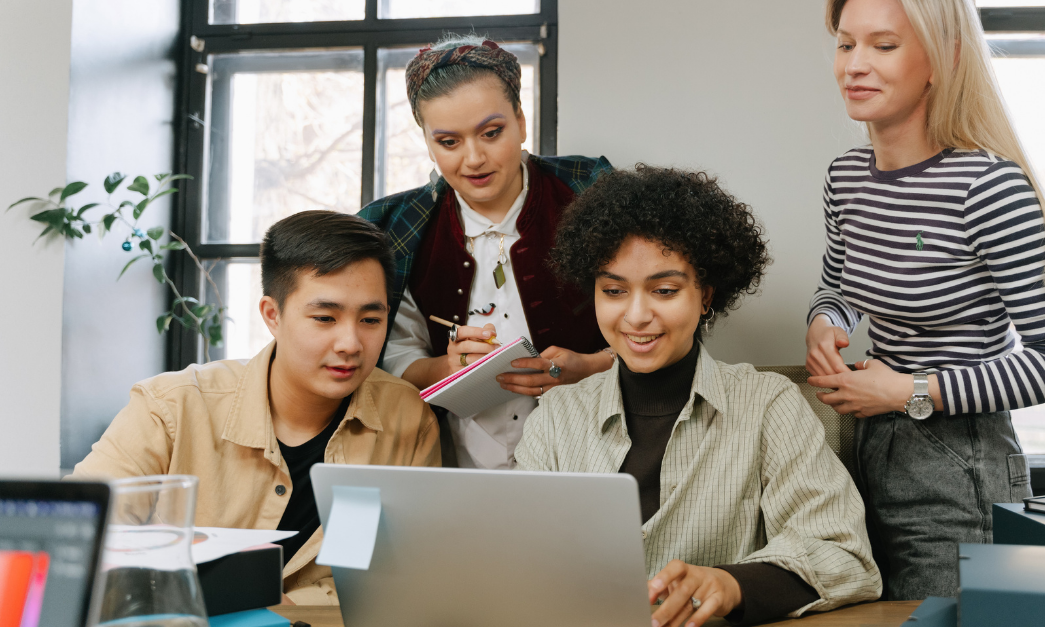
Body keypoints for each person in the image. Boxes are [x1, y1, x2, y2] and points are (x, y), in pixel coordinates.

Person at [805, 0, 1045, 600]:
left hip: (960, 463)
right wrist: (826, 322)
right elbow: (839, 287)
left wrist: (909, 390)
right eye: (845, 44)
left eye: (883, 46)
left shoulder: (989, 189)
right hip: (865, 449)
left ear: (942, 60)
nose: (855, 65)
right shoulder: (846, 177)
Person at [516, 166, 882, 626]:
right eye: (613, 291)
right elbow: (518, 563)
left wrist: (731, 585)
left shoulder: (768, 405)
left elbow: (845, 557)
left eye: (664, 290)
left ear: (705, 295)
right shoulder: (557, 416)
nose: (636, 315)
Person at [70, 211, 440, 604]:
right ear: (272, 315)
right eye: (324, 318)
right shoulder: (171, 408)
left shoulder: (406, 418)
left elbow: (403, 577)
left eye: (370, 319)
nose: (351, 343)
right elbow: (76, 538)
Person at [359, 34, 615, 470]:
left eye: (491, 133)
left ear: (520, 120)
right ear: (427, 141)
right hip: (457, 464)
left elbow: (660, 318)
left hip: (596, 454)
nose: (474, 158)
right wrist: (444, 367)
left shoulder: (590, 192)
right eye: (449, 142)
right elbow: (394, 355)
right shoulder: (396, 226)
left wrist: (590, 368)